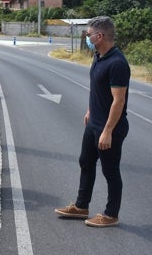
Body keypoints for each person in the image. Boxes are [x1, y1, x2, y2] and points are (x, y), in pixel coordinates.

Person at [55, 16, 130, 227]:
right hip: (93, 123)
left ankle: (111, 214)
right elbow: (99, 90)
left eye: (89, 35)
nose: (87, 38)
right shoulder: (98, 56)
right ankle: (81, 206)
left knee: (110, 171)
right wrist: (90, 110)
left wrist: (107, 131)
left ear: (100, 36)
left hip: (109, 128)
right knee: (86, 162)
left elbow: (118, 101)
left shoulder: (117, 63)